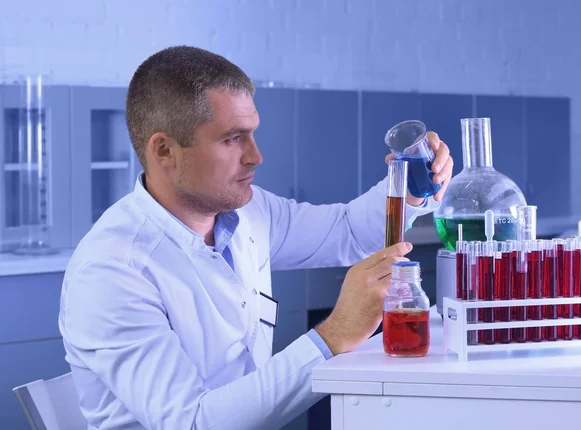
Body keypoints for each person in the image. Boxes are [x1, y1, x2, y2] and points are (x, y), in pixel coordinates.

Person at [58, 46, 453, 430]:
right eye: (233, 139)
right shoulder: (112, 271)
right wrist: (334, 334)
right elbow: (193, 423)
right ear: (164, 150)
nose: (255, 156)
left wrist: (409, 189)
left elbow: (346, 230)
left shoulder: (247, 213)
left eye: (252, 134)